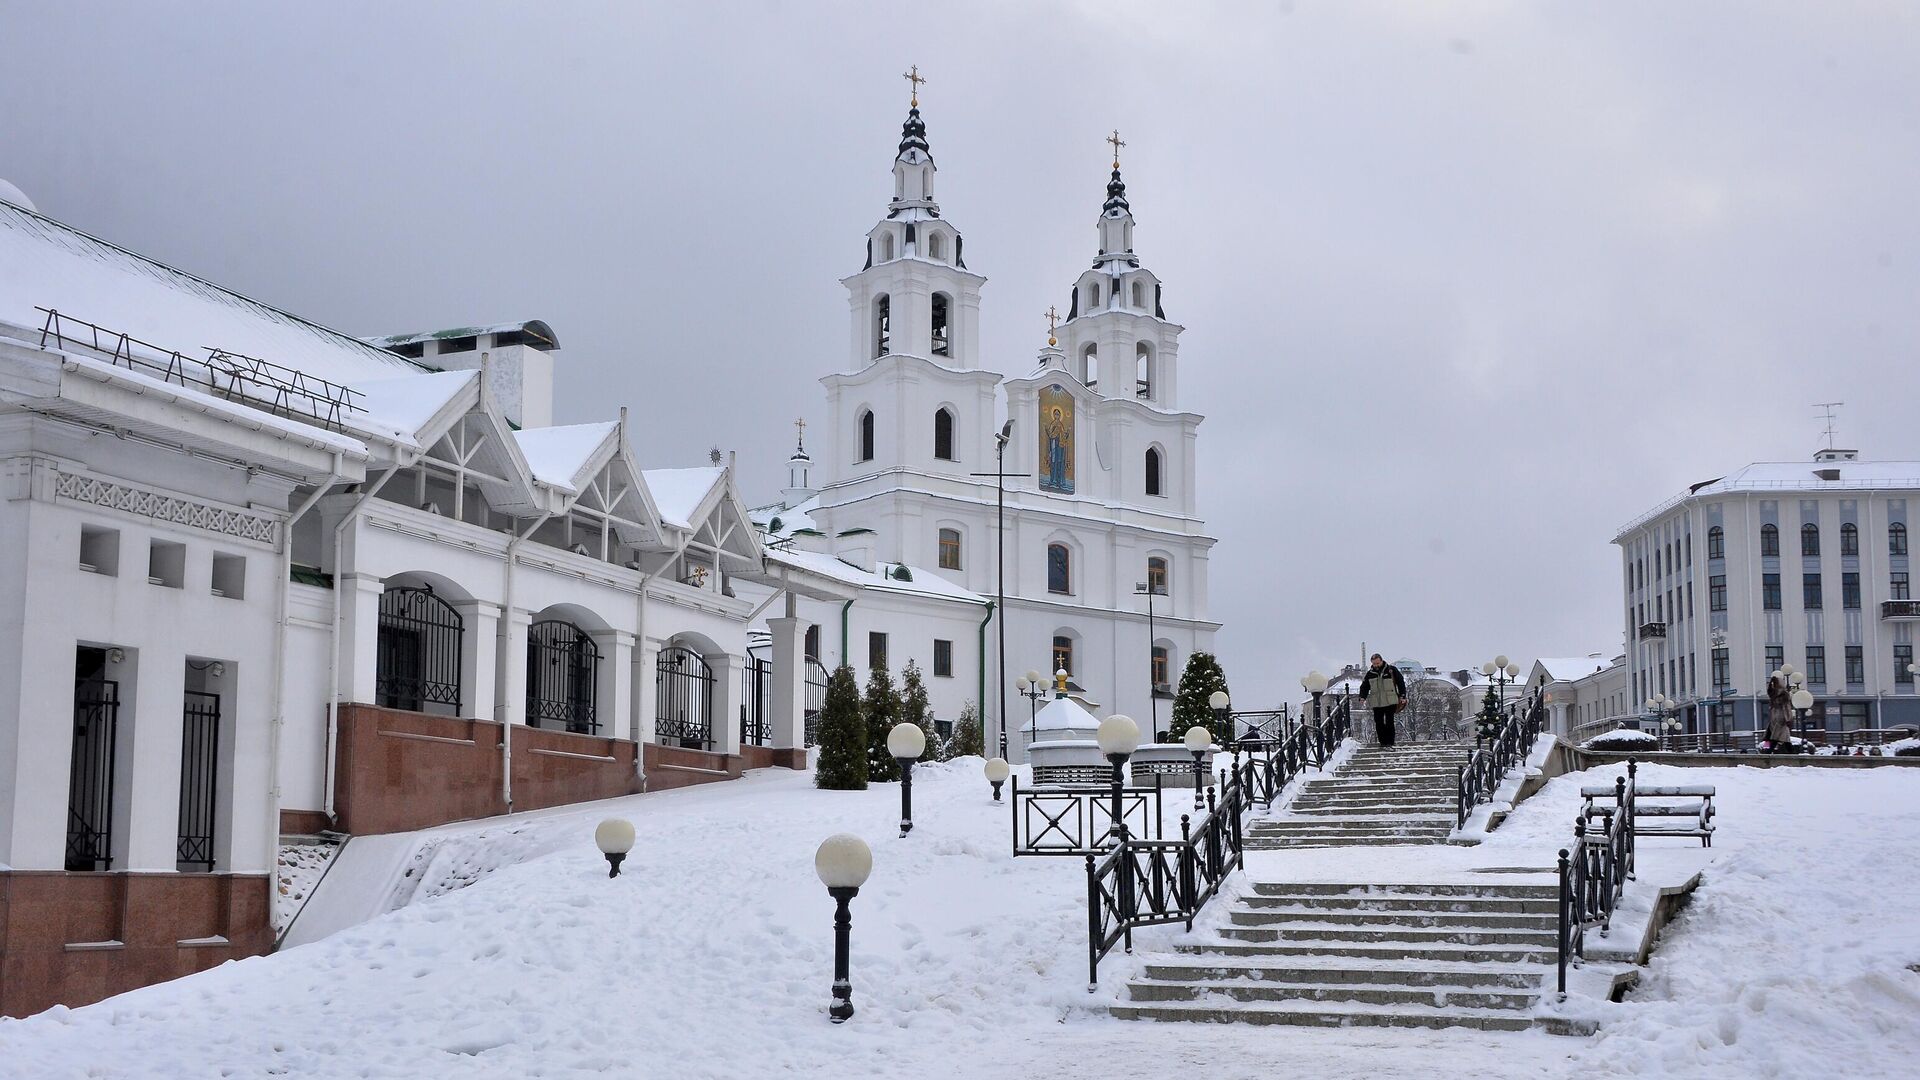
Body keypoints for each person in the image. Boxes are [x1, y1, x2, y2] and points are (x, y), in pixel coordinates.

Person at [1359, 654, 1407, 748]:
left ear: (1381, 661)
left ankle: (1390, 741)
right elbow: (1364, 686)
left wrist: (1403, 696)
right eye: (1374, 664)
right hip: (1377, 702)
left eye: (1377, 663)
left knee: (1389, 721)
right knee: (1379, 722)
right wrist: (1362, 697)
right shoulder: (1370, 674)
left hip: (1390, 700)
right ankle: (1383, 742)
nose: (1376, 665)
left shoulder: (1391, 670)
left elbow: (1400, 682)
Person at [1764, 674, 1793, 753]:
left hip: (1780, 720)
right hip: (1774, 719)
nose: (1774, 686)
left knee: (1775, 737)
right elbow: (1769, 691)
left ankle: (1767, 753)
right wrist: (1771, 683)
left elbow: (1787, 708)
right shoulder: (1774, 694)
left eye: (1775, 684)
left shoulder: (1783, 695)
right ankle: (1766, 750)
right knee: (1770, 736)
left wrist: (1788, 719)